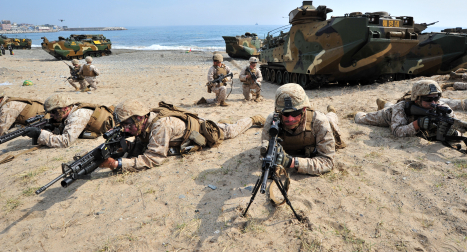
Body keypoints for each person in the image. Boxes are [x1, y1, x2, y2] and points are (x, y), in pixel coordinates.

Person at [99, 100, 266, 171]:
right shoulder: (146, 122)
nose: (126, 130)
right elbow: (144, 143)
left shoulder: (159, 126)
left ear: (140, 118)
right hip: (187, 127)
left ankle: (253, 119)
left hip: (202, 130)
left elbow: (153, 158)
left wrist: (116, 164)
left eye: (128, 125)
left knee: (230, 130)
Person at [261, 83, 345, 176]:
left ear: (304, 109)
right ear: (278, 111)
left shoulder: (319, 122)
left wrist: (292, 162)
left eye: (295, 113)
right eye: (285, 114)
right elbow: (265, 155)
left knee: (330, 120)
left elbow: (327, 162)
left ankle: (332, 112)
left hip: (327, 120)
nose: (290, 119)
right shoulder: (272, 121)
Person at [355, 79, 457, 139]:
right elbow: (396, 131)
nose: (434, 103)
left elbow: (459, 126)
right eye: (428, 99)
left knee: (391, 106)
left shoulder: (444, 109)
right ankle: (360, 112)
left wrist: (454, 133)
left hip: (397, 111)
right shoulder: (402, 108)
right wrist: (417, 124)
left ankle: (386, 103)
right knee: (360, 119)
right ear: (417, 99)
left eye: (436, 98)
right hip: (388, 116)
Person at [21, 94, 114, 148]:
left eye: (53, 111)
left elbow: (66, 142)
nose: (51, 115)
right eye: (49, 112)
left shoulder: (77, 116)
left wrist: (40, 134)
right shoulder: (70, 111)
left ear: (65, 108)